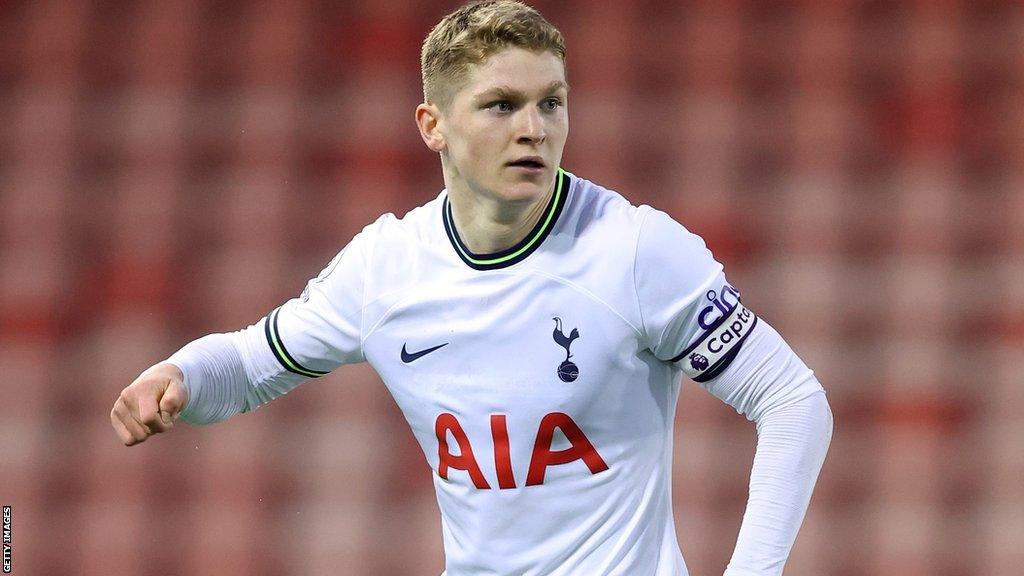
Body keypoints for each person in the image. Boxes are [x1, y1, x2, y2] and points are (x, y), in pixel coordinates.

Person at [110, 1, 833, 574]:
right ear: (434, 126)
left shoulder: (634, 251)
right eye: (501, 105)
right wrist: (178, 375)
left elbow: (793, 400)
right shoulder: (386, 269)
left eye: (552, 103)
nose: (535, 129)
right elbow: (245, 367)